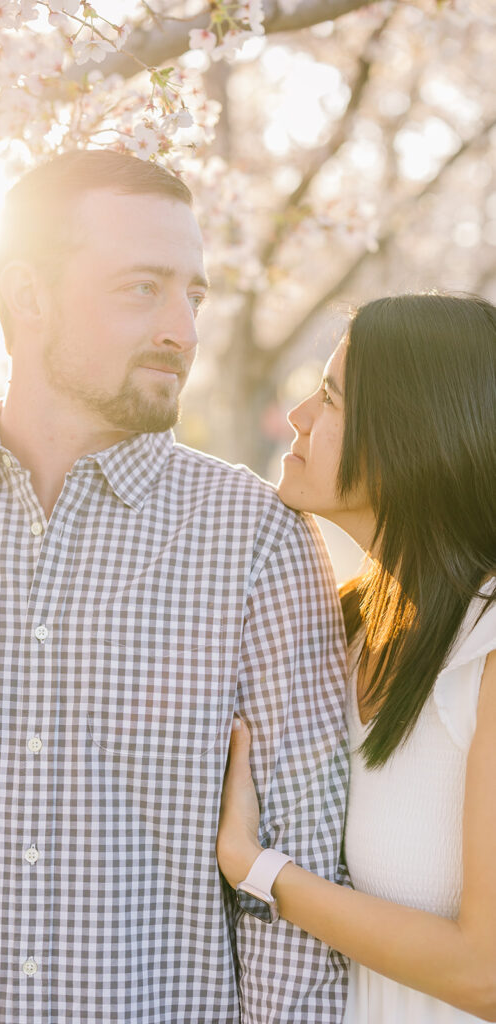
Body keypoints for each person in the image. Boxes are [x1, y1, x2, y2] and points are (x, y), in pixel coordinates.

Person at [0, 150, 349, 1024]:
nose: (182, 327)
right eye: (143, 288)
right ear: (29, 295)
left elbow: (302, 875)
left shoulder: (255, 540)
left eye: (195, 294)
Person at [217, 292, 496, 1023]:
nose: (299, 416)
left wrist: (258, 870)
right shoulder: (336, 629)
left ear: (413, 433)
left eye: (331, 399)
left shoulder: (485, 658)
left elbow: (486, 973)